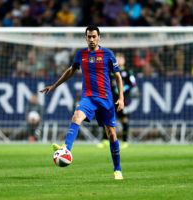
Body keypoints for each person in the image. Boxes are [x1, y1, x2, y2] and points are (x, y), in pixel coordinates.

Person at [40, 25, 124, 180]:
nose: (91, 39)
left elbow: (118, 76)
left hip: (105, 99)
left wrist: (121, 98)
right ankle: (66, 148)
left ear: (99, 37)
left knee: (111, 135)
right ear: (85, 38)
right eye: (89, 37)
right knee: (77, 115)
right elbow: (70, 71)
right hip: (88, 97)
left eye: (94, 36)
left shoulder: (108, 54)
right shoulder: (80, 55)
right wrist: (54, 85)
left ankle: (117, 169)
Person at [97, 53, 140, 149]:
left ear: (124, 60)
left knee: (124, 120)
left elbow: (133, 83)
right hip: (111, 99)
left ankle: (125, 141)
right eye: (117, 58)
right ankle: (105, 141)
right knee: (107, 120)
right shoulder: (110, 70)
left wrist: (125, 87)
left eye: (121, 58)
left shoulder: (128, 71)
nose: (119, 60)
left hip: (123, 100)